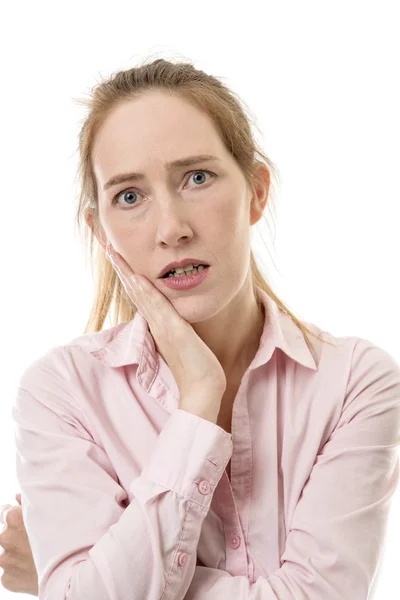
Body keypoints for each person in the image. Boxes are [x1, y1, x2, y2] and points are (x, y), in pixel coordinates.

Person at [2, 56, 400, 599]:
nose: (172, 229)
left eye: (197, 177)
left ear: (257, 191)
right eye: (129, 196)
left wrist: (78, 584)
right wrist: (199, 399)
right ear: (102, 232)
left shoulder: (357, 381)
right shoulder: (61, 391)